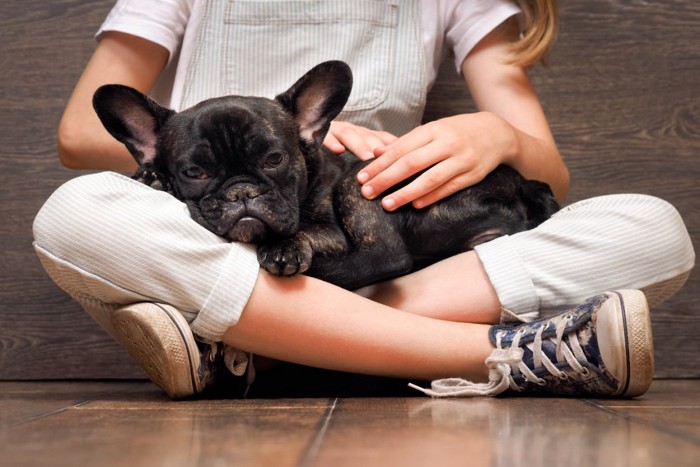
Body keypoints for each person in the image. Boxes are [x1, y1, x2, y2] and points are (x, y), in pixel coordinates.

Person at [33, 0, 694, 399]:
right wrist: (219, 145)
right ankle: (509, 352)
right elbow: (77, 134)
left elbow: (549, 169)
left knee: (653, 228)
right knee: (72, 213)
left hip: (379, 246)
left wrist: (497, 133)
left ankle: (260, 351)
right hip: (220, 254)